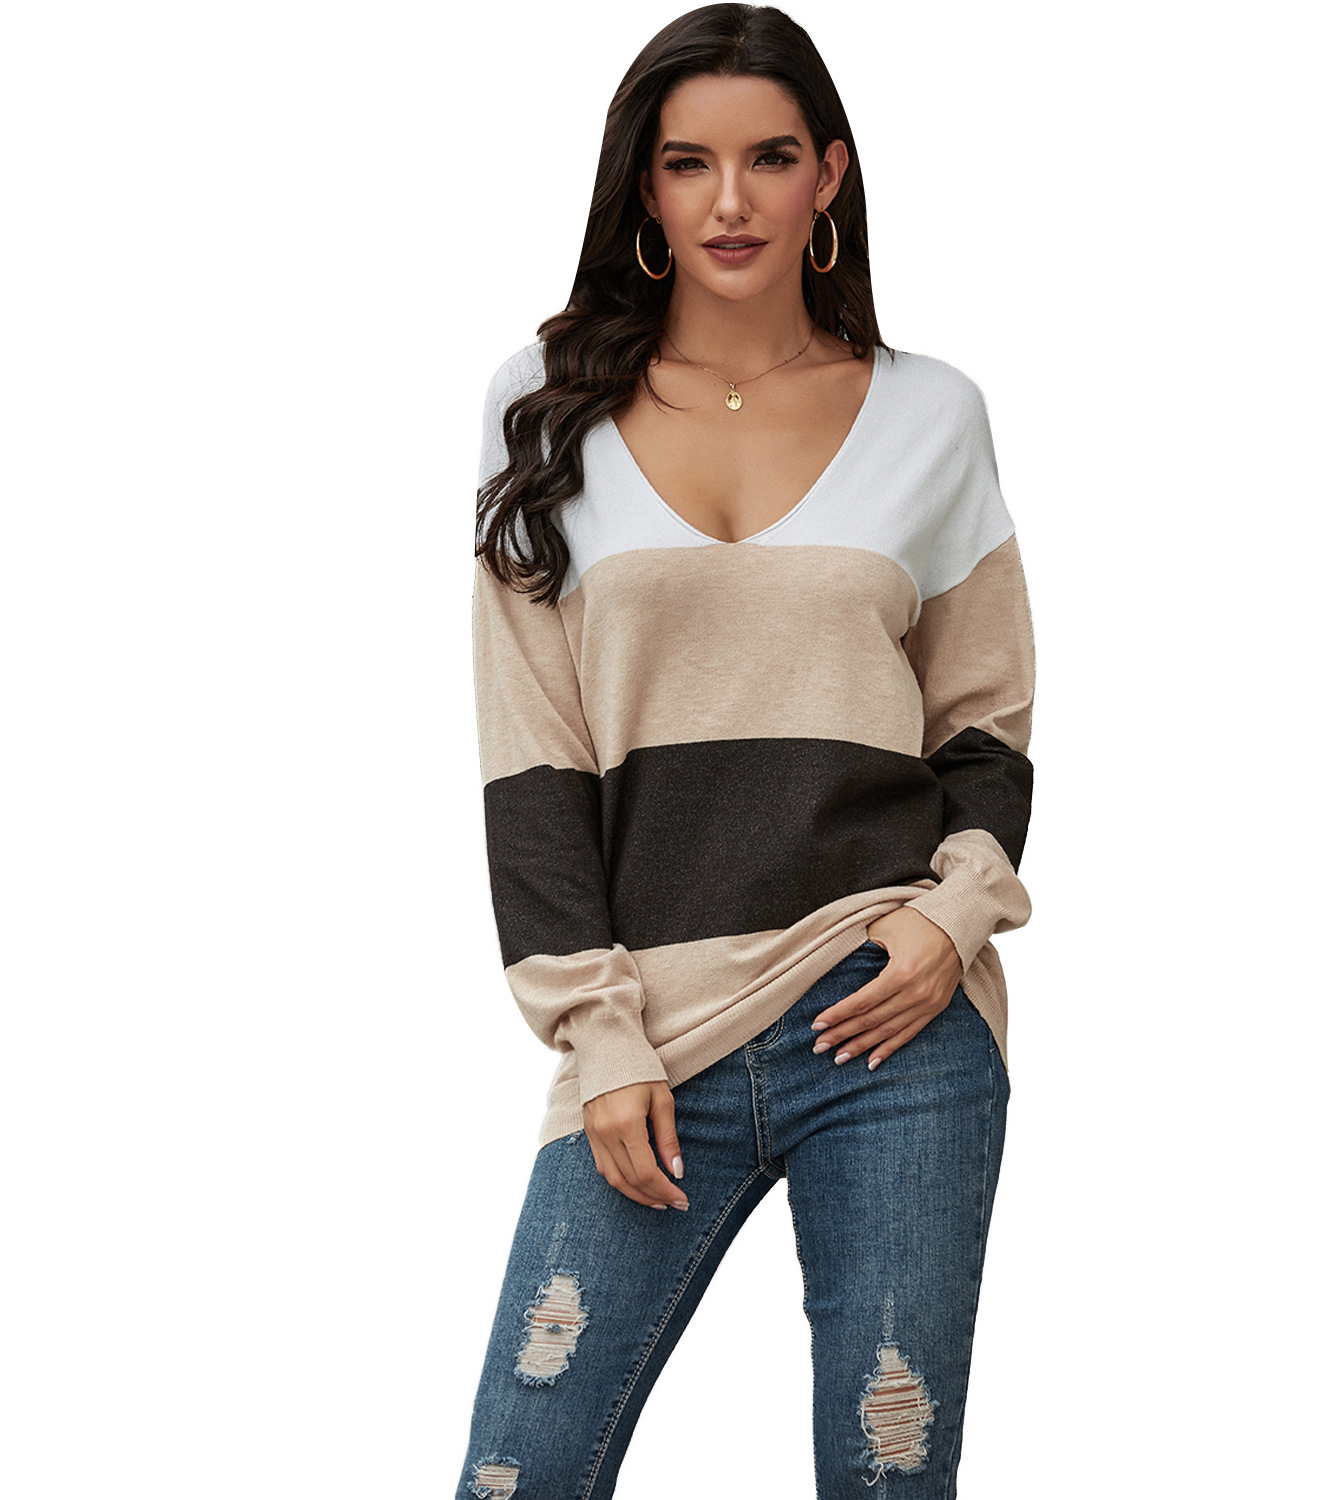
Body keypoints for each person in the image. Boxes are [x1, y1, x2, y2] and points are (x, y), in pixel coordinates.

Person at [453, 7, 1036, 1497]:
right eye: (687, 163)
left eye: (770, 158)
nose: (729, 201)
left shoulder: (932, 414)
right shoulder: (541, 410)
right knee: (520, 1473)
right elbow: (532, 758)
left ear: (827, 175)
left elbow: (985, 718)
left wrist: (950, 917)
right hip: (651, 1030)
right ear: (642, 186)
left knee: (888, 1476)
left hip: (893, 1015)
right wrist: (596, 1036)